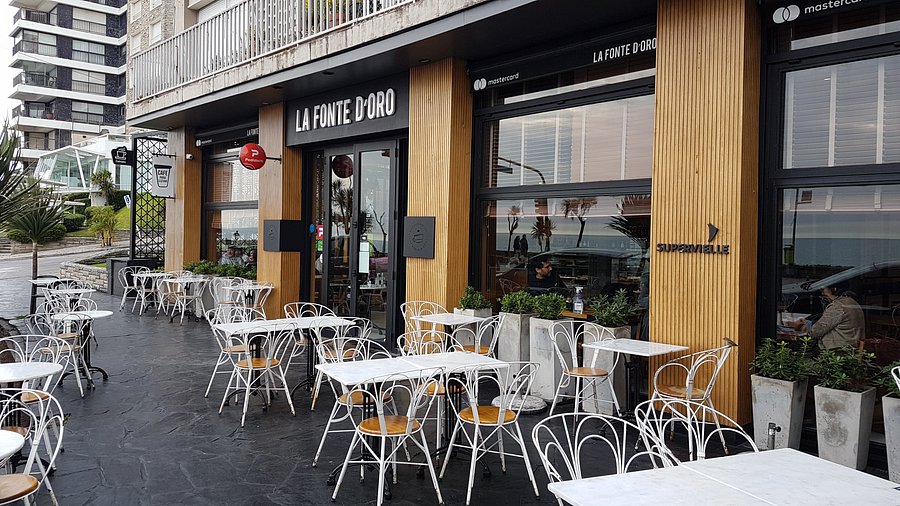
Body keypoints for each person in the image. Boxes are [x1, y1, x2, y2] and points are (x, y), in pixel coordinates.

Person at [791, 284, 865, 350]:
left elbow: (816, 331)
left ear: (833, 289)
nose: (822, 293)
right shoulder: (851, 302)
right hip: (850, 347)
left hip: (837, 350)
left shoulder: (837, 307)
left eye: (823, 289)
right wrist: (809, 323)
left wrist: (801, 326)